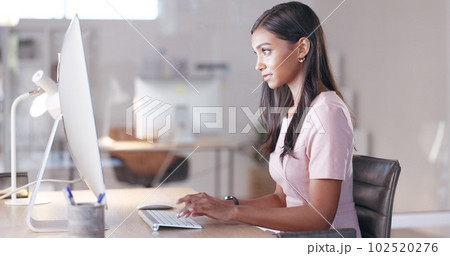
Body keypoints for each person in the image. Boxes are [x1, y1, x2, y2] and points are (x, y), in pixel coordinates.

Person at [176, 1, 361, 237]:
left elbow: (319, 217)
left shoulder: (328, 112)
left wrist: (233, 214)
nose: (258, 65)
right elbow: (280, 199)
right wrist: (225, 205)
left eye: (266, 51)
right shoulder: (293, 112)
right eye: (256, 53)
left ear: (302, 48)